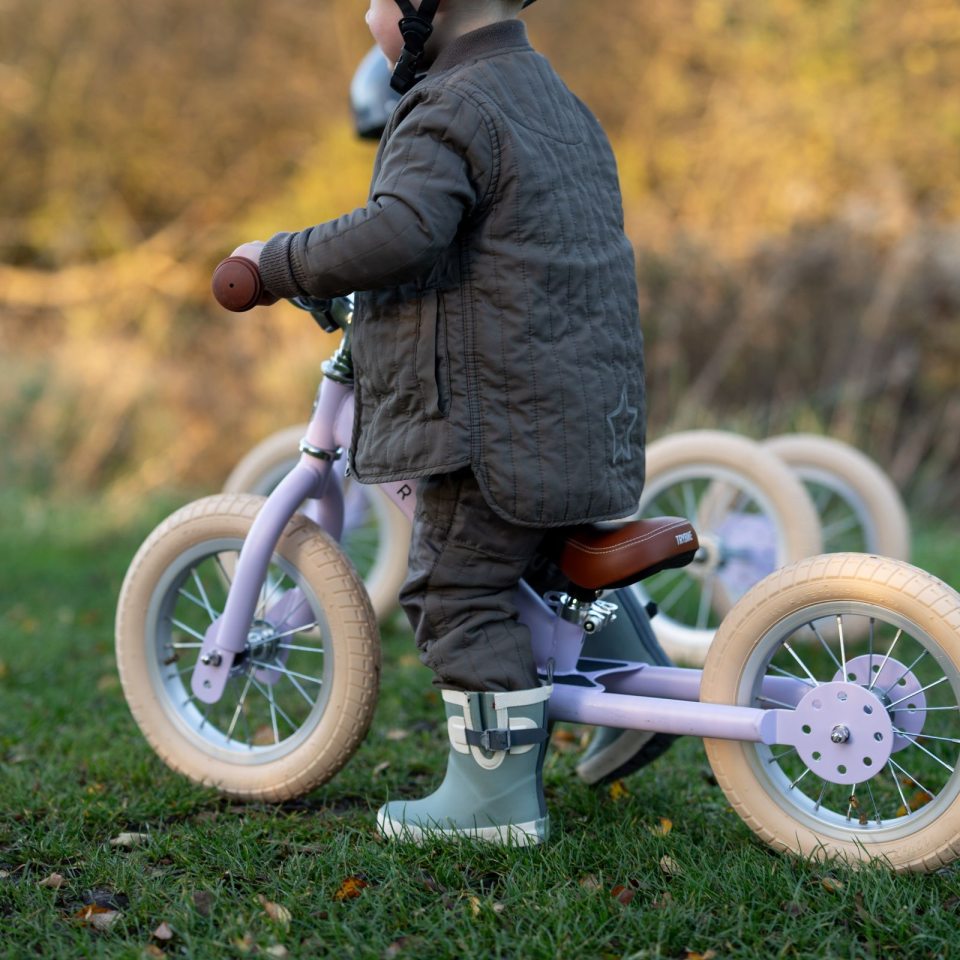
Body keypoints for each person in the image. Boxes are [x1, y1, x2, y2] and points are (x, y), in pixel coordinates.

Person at [231, 0, 646, 845]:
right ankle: (640, 691)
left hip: (491, 430)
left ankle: (493, 802)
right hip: (578, 414)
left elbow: (403, 230)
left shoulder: (449, 103)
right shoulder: (555, 99)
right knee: (553, 569)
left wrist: (277, 261)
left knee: (456, 590)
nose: (366, 11)